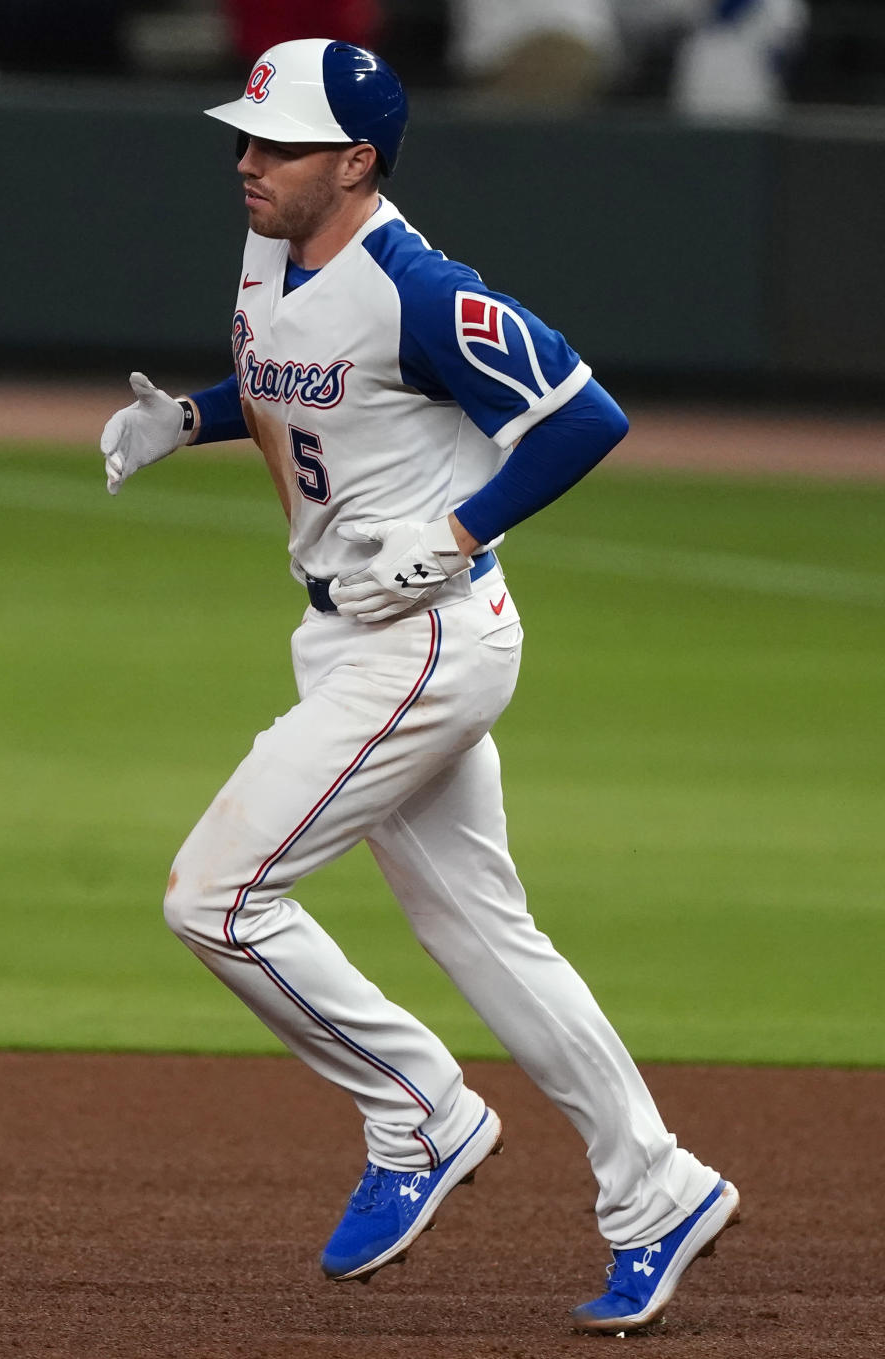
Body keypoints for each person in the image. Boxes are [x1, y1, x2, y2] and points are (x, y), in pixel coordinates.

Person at [100, 37, 739, 1335]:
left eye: (278, 144)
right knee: (487, 937)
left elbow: (581, 415)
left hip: (425, 642)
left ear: (358, 158)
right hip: (347, 637)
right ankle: (658, 1187)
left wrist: (457, 530)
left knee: (216, 899)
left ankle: (420, 1111)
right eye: (247, 136)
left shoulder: (419, 284)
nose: (249, 161)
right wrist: (195, 419)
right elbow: (308, 390)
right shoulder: (276, 250)